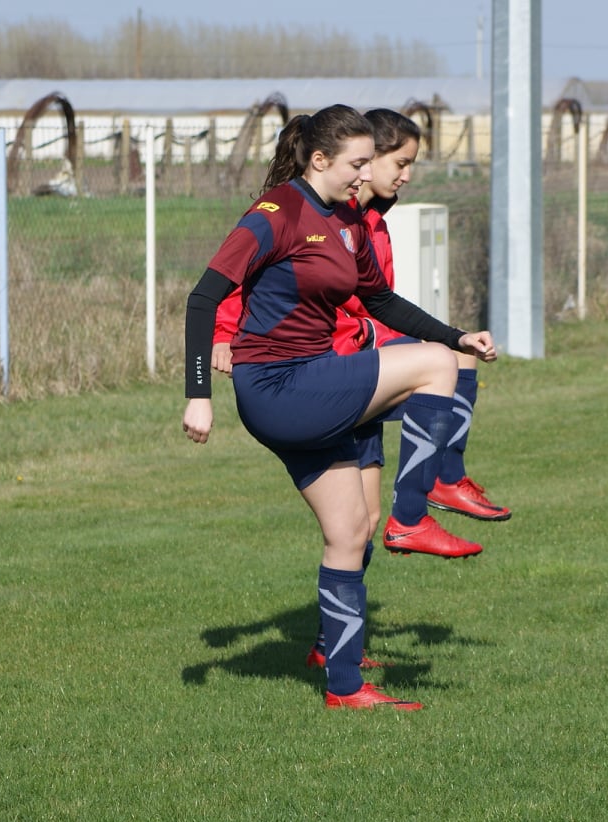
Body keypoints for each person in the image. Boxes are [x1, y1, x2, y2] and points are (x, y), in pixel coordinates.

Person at [181, 105, 497, 710]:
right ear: (320, 160)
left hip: (311, 382)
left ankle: (346, 688)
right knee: (435, 367)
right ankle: (413, 516)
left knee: (350, 533)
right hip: (276, 386)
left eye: (369, 163)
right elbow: (204, 298)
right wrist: (199, 396)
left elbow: (381, 301)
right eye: (357, 164)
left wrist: (458, 335)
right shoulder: (275, 214)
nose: (365, 175)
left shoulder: (348, 220)